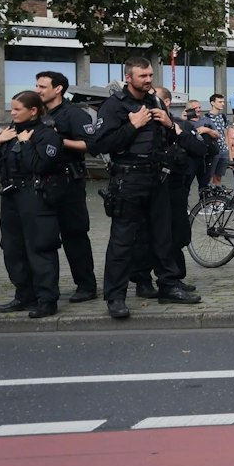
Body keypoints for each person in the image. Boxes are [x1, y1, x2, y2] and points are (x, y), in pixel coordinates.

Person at [91, 57, 207, 318]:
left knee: (163, 237)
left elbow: (166, 138)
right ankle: (116, 297)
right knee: (122, 241)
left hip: (157, 179)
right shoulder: (114, 106)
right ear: (128, 77)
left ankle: (169, 285)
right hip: (128, 181)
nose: (148, 80)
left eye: (150, 75)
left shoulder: (154, 101)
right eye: (142, 76)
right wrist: (133, 125)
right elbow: (98, 145)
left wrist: (169, 125)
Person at [0, 91, 65, 317]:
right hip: (11, 196)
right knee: (12, 248)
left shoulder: (47, 134)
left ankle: (47, 299)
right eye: (11, 109)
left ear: (33, 111)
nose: (12, 113)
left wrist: (26, 143)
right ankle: (24, 295)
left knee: (40, 247)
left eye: (17, 109)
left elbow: (38, 166)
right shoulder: (10, 132)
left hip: (35, 195)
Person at [32, 71, 97, 302]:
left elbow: (90, 145)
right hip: (41, 181)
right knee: (43, 237)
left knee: (74, 235)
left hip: (68, 182)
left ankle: (86, 286)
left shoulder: (74, 114)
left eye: (42, 86)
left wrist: (59, 140)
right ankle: (45, 288)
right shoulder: (37, 113)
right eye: (37, 86)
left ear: (58, 89)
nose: (38, 90)